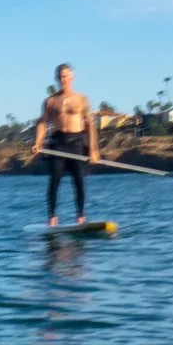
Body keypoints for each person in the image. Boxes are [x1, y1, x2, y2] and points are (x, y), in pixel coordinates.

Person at [33, 63, 100, 226]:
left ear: (72, 77)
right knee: (55, 180)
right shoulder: (50, 101)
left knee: (78, 180)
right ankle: (52, 217)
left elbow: (90, 126)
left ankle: (80, 216)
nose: (63, 80)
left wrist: (93, 150)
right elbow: (42, 123)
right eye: (60, 77)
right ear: (57, 79)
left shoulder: (82, 99)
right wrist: (37, 143)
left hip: (77, 141)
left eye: (66, 76)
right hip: (58, 142)